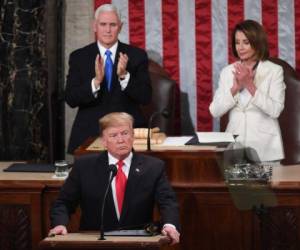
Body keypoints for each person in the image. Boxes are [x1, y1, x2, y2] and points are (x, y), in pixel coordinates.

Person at [49, 112, 180, 245]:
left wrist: (170, 225)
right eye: (113, 135)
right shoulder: (84, 167)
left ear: (133, 136)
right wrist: (60, 224)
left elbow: (167, 202)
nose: (121, 140)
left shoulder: (153, 167)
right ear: (104, 141)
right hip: (95, 242)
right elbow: (63, 203)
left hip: (138, 242)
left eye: (125, 133)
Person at [65, 4, 152, 153]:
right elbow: (71, 99)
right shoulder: (79, 57)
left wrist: (124, 76)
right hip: (90, 133)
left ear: (120, 27)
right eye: (103, 24)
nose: (107, 30)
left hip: (127, 134)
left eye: (113, 25)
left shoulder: (137, 56)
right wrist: (95, 82)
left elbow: (145, 97)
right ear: (94, 26)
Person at [209, 20, 286, 162]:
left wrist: (250, 85)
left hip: (265, 150)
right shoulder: (227, 72)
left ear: (257, 43)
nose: (240, 47)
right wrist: (234, 89)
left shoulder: (274, 71)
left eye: (246, 42)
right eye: (237, 42)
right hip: (234, 149)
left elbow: (275, 110)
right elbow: (215, 111)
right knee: (237, 185)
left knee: (262, 185)